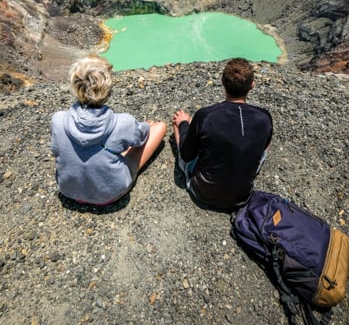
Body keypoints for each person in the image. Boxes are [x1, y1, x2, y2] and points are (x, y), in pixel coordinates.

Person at [51, 55, 167, 205]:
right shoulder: (124, 122)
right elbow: (141, 138)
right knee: (159, 127)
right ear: (107, 89)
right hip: (111, 193)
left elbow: (56, 151)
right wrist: (146, 125)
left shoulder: (58, 119)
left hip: (69, 191)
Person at [172, 57, 273, 210]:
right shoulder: (264, 117)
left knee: (181, 122)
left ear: (222, 82)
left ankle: (181, 123)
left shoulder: (205, 115)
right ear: (252, 85)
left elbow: (187, 155)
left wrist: (184, 124)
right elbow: (264, 147)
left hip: (202, 192)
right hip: (242, 197)